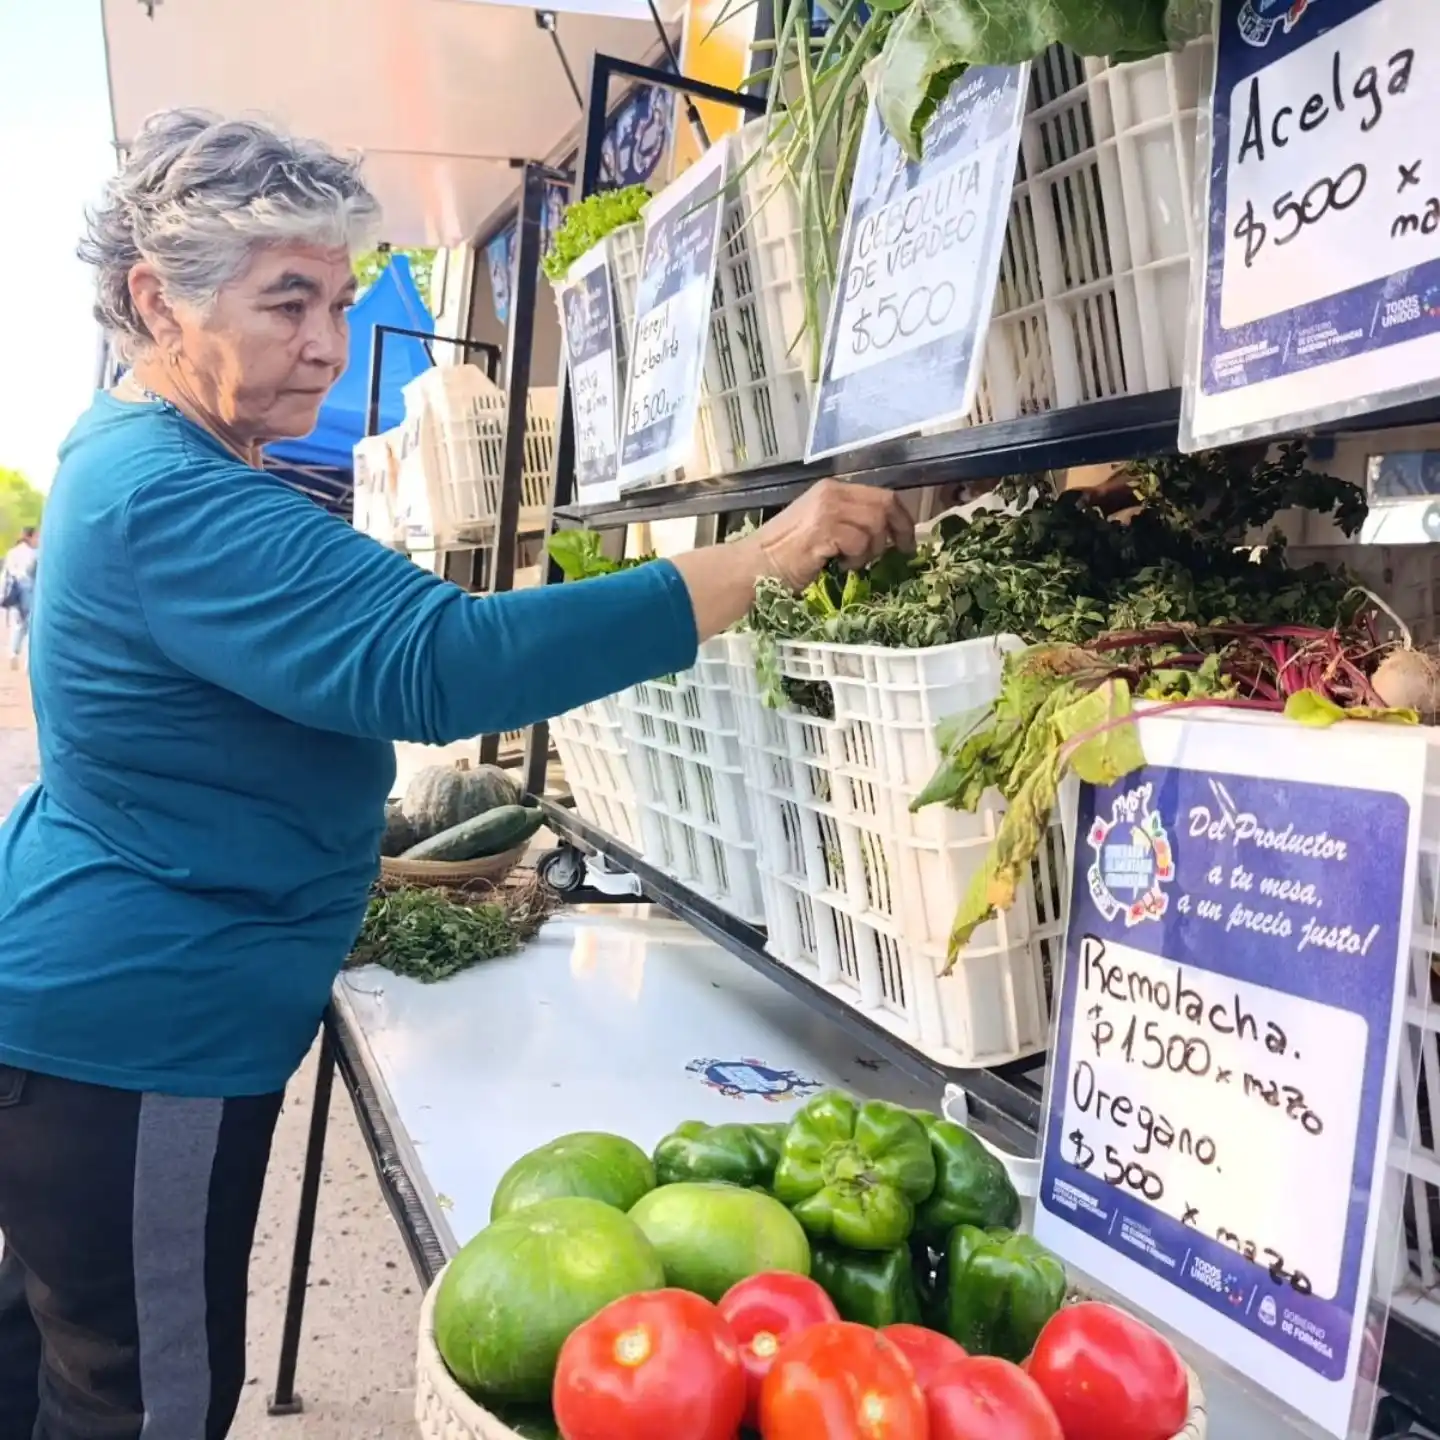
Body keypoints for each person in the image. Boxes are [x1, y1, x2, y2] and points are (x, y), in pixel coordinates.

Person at [0, 110, 912, 1439]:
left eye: (341, 297)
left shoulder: (135, 455)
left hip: (92, 1012)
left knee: (59, 1362)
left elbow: (198, 744)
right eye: (288, 301)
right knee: (145, 1401)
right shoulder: (170, 492)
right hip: (143, 1036)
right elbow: (449, 659)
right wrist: (762, 559)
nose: (325, 341)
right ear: (157, 298)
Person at [2, 526, 37, 670]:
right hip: (29, 590)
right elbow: (32, 571)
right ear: (30, 537)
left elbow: (6, 573)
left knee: (18, 625)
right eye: (36, 537)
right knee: (31, 627)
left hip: (15, 591)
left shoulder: (12, 552)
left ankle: (13, 653)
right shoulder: (33, 553)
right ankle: (28, 663)